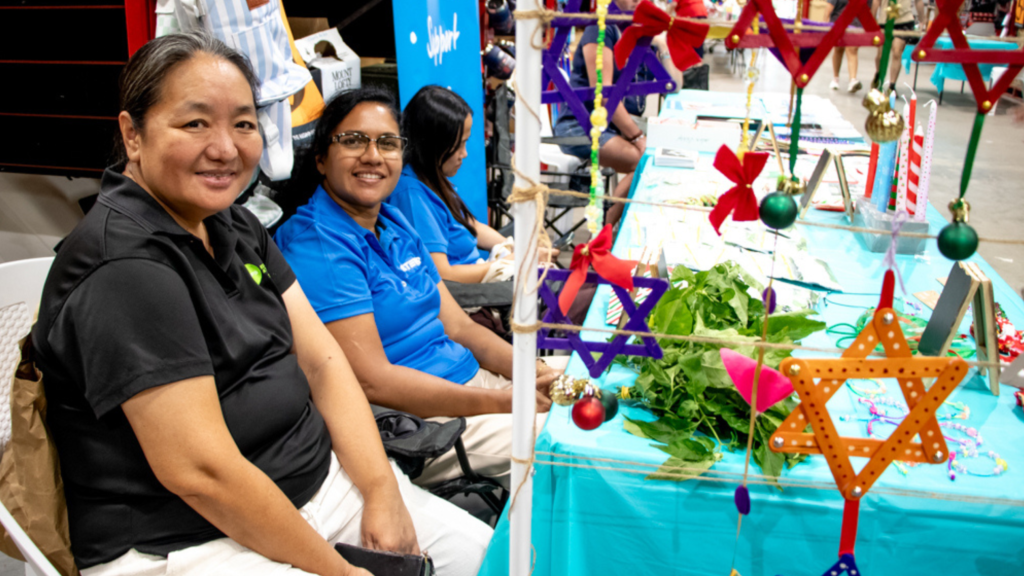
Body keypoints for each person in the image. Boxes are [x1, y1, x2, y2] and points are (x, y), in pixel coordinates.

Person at [31, 32, 490, 576]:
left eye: (243, 123)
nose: (225, 147)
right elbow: (203, 472)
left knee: (487, 556)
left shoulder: (234, 224)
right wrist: (341, 571)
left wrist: (381, 490)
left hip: (315, 486)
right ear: (133, 134)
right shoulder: (124, 268)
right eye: (194, 122)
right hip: (189, 540)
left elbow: (323, 362)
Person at [273, 86, 565, 489]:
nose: (373, 155)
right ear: (321, 159)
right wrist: (503, 402)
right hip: (421, 426)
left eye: (387, 143)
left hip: (468, 386)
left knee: (589, 387)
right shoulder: (318, 245)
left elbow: (460, 328)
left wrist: (532, 371)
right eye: (353, 141)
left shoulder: (392, 220)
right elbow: (374, 381)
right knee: (573, 447)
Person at [388, 85, 520, 283]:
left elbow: (469, 225)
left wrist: (514, 248)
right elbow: (442, 275)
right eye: (459, 145)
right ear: (433, 144)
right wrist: (508, 264)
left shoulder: (432, 178)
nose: (464, 154)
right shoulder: (411, 194)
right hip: (464, 296)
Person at [552, 0, 646, 229]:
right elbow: (603, 94)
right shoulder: (600, 29)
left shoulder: (631, 30)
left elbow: (676, 82)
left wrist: (662, 47)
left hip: (606, 126)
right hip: (579, 126)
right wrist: (637, 137)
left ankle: (610, 223)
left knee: (651, 158)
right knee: (645, 160)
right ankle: (609, 225)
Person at [872, 0, 927, 92]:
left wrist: (922, 20)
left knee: (897, 52)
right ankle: (878, 74)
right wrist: (872, 20)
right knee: (881, 55)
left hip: (904, 20)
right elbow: (876, 1)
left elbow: (918, 1)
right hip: (885, 20)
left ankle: (892, 86)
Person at [826, 0, 864, 93]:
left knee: (852, 49)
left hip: (855, 23)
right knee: (838, 49)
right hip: (839, 20)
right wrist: (825, 24)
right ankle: (835, 78)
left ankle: (853, 80)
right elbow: (829, 5)